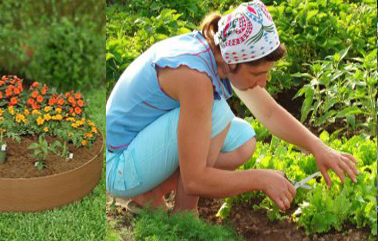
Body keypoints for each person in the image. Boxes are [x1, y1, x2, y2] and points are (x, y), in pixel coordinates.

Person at [106, 0, 359, 214]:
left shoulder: (219, 54)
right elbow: (194, 179)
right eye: (259, 73)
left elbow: (268, 113)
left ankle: (150, 193)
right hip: (117, 165)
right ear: (234, 62)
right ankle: (184, 218)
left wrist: (318, 148)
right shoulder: (195, 78)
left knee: (243, 140)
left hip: (138, 150)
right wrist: (261, 179)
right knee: (219, 115)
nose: (264, 81)